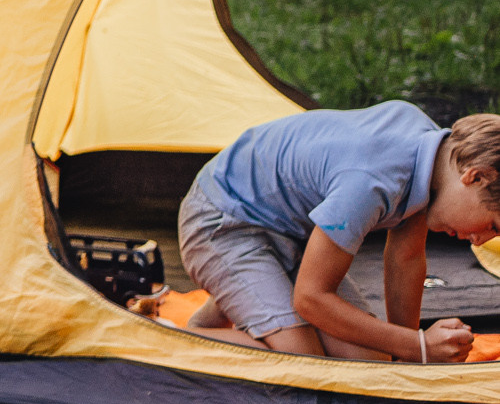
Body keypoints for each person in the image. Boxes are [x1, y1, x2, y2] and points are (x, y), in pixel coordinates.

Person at [173, 102, 500, 362]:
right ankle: (173, 336)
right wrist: (418, 344)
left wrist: (408, 355)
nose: (483, 239)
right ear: (475, 177)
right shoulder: (371, 180)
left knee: (369, 361)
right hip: (222, 221)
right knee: (303, 361)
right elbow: (311, 298)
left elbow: (406, 259)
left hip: (289, 233)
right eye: (493, 225)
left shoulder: (432, 157)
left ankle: (241, 297)